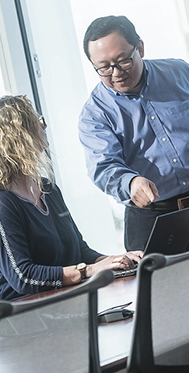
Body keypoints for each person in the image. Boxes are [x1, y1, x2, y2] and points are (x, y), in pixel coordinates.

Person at [78, 15, 189, 251]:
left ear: (140, 48)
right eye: (104, 67)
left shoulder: (180, 73)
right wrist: (130, 182)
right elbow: (103, 167)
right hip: (152, 222)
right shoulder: (95, 114)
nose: (116, 73)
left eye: (123, 61)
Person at [0, 95, 142, 300]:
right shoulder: (4, 203)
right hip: (25, 314)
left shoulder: (48, 188)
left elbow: (80, 252)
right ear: (20, 135)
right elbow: (24, 278)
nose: (44, 125)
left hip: (64, 301)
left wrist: (114, 260)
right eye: (38, 121)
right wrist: (90, 270)